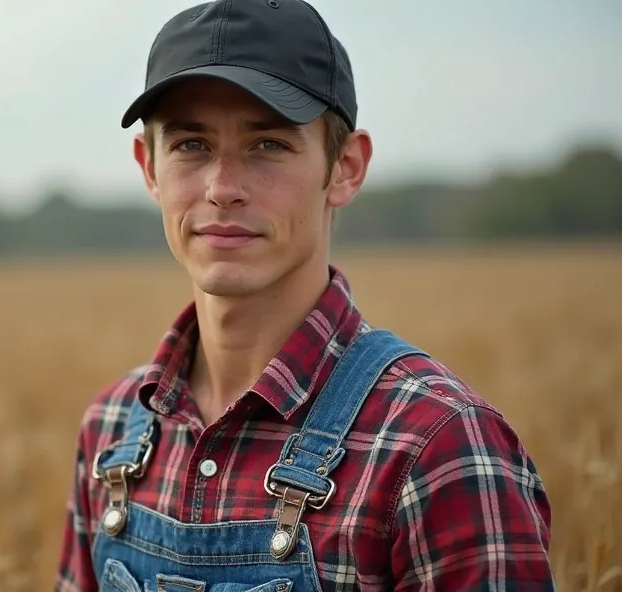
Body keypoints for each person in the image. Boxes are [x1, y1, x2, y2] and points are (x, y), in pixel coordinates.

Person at [54, 0, 555, 590]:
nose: (222, 188)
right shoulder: (112, 429)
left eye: (268, 144)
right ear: (149, 168)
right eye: (191, 145)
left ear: (344, 167)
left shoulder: (438, 445)